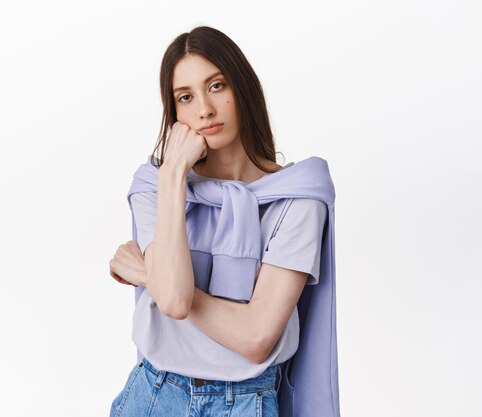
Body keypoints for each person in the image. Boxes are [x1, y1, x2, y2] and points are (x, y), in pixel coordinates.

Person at [108, 25, 340, 417]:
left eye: (216, 86)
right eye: (186, 97)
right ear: (175, 112)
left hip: (244, 403)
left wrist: (152, 276)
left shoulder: (297, 197)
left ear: (242, 89)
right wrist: (174, 173)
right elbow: (175, 300)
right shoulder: (157, 186)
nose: (204, 110)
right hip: (152, 394)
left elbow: (255, 338)